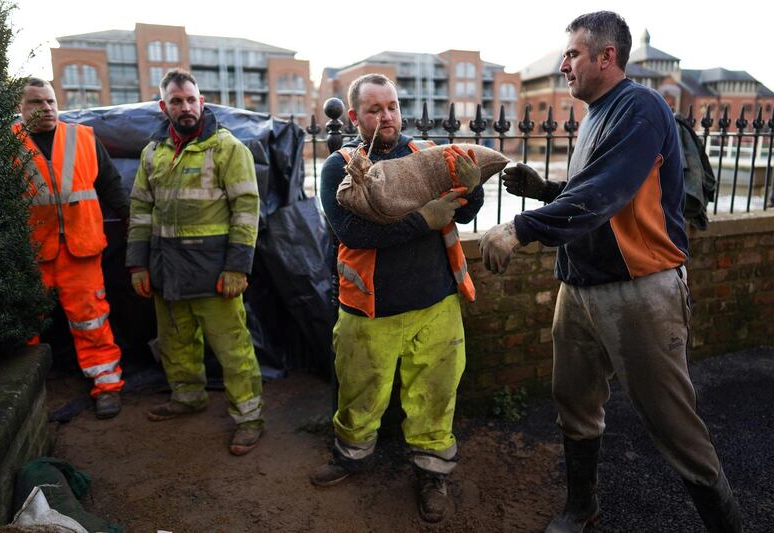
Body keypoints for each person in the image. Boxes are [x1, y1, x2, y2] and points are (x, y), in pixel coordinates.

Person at [480, 12, 742, 533]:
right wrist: (547, 190)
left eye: (573, 54)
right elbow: (594, 191)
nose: (563, 65)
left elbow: (604, 196)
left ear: (607, 56)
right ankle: (583, 506)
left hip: (639, 289)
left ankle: (729, 524)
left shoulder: (640, 107)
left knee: (673, 423)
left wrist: (522, 227)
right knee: (574, 401)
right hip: (579, 286)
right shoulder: (596, 114)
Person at [312, 73, 484, 523]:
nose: (386, 116)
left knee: (435, 395)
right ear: (354, 116)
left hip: (435, 304)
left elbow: (464, 212)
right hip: (369, 311)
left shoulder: (424, 155)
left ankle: (432, 473)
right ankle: (350, 456)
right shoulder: (341, 166)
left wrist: (475, 187)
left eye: (391, 106)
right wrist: (422, 221)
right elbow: (352, 232)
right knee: (359, 393)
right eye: (374, 109)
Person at [126, 68, 263, 456]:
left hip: (214, 272)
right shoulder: (152, 152)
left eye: (191, 100)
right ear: (163, 106)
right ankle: (187, 397)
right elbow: (140, 209)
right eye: (176, 101)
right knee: (175, 342)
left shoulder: (227, 148)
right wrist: (137, 265)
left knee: (233, 350)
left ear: (201, 101)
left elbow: (247, 209)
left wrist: (238, 267)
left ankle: (249, 418)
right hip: (166, 270)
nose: (185, 107)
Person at [16, 78, 127, 419]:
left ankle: (107, 387)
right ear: (21, 108)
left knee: (91, 321)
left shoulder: (83, 137)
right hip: (31, 254)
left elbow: (110, 185)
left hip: (80, 250)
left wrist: (131, 223)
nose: (47, 108)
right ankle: (22, 394)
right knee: (24, 327)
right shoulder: (7, 145)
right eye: (37, 102)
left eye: (50, 101)